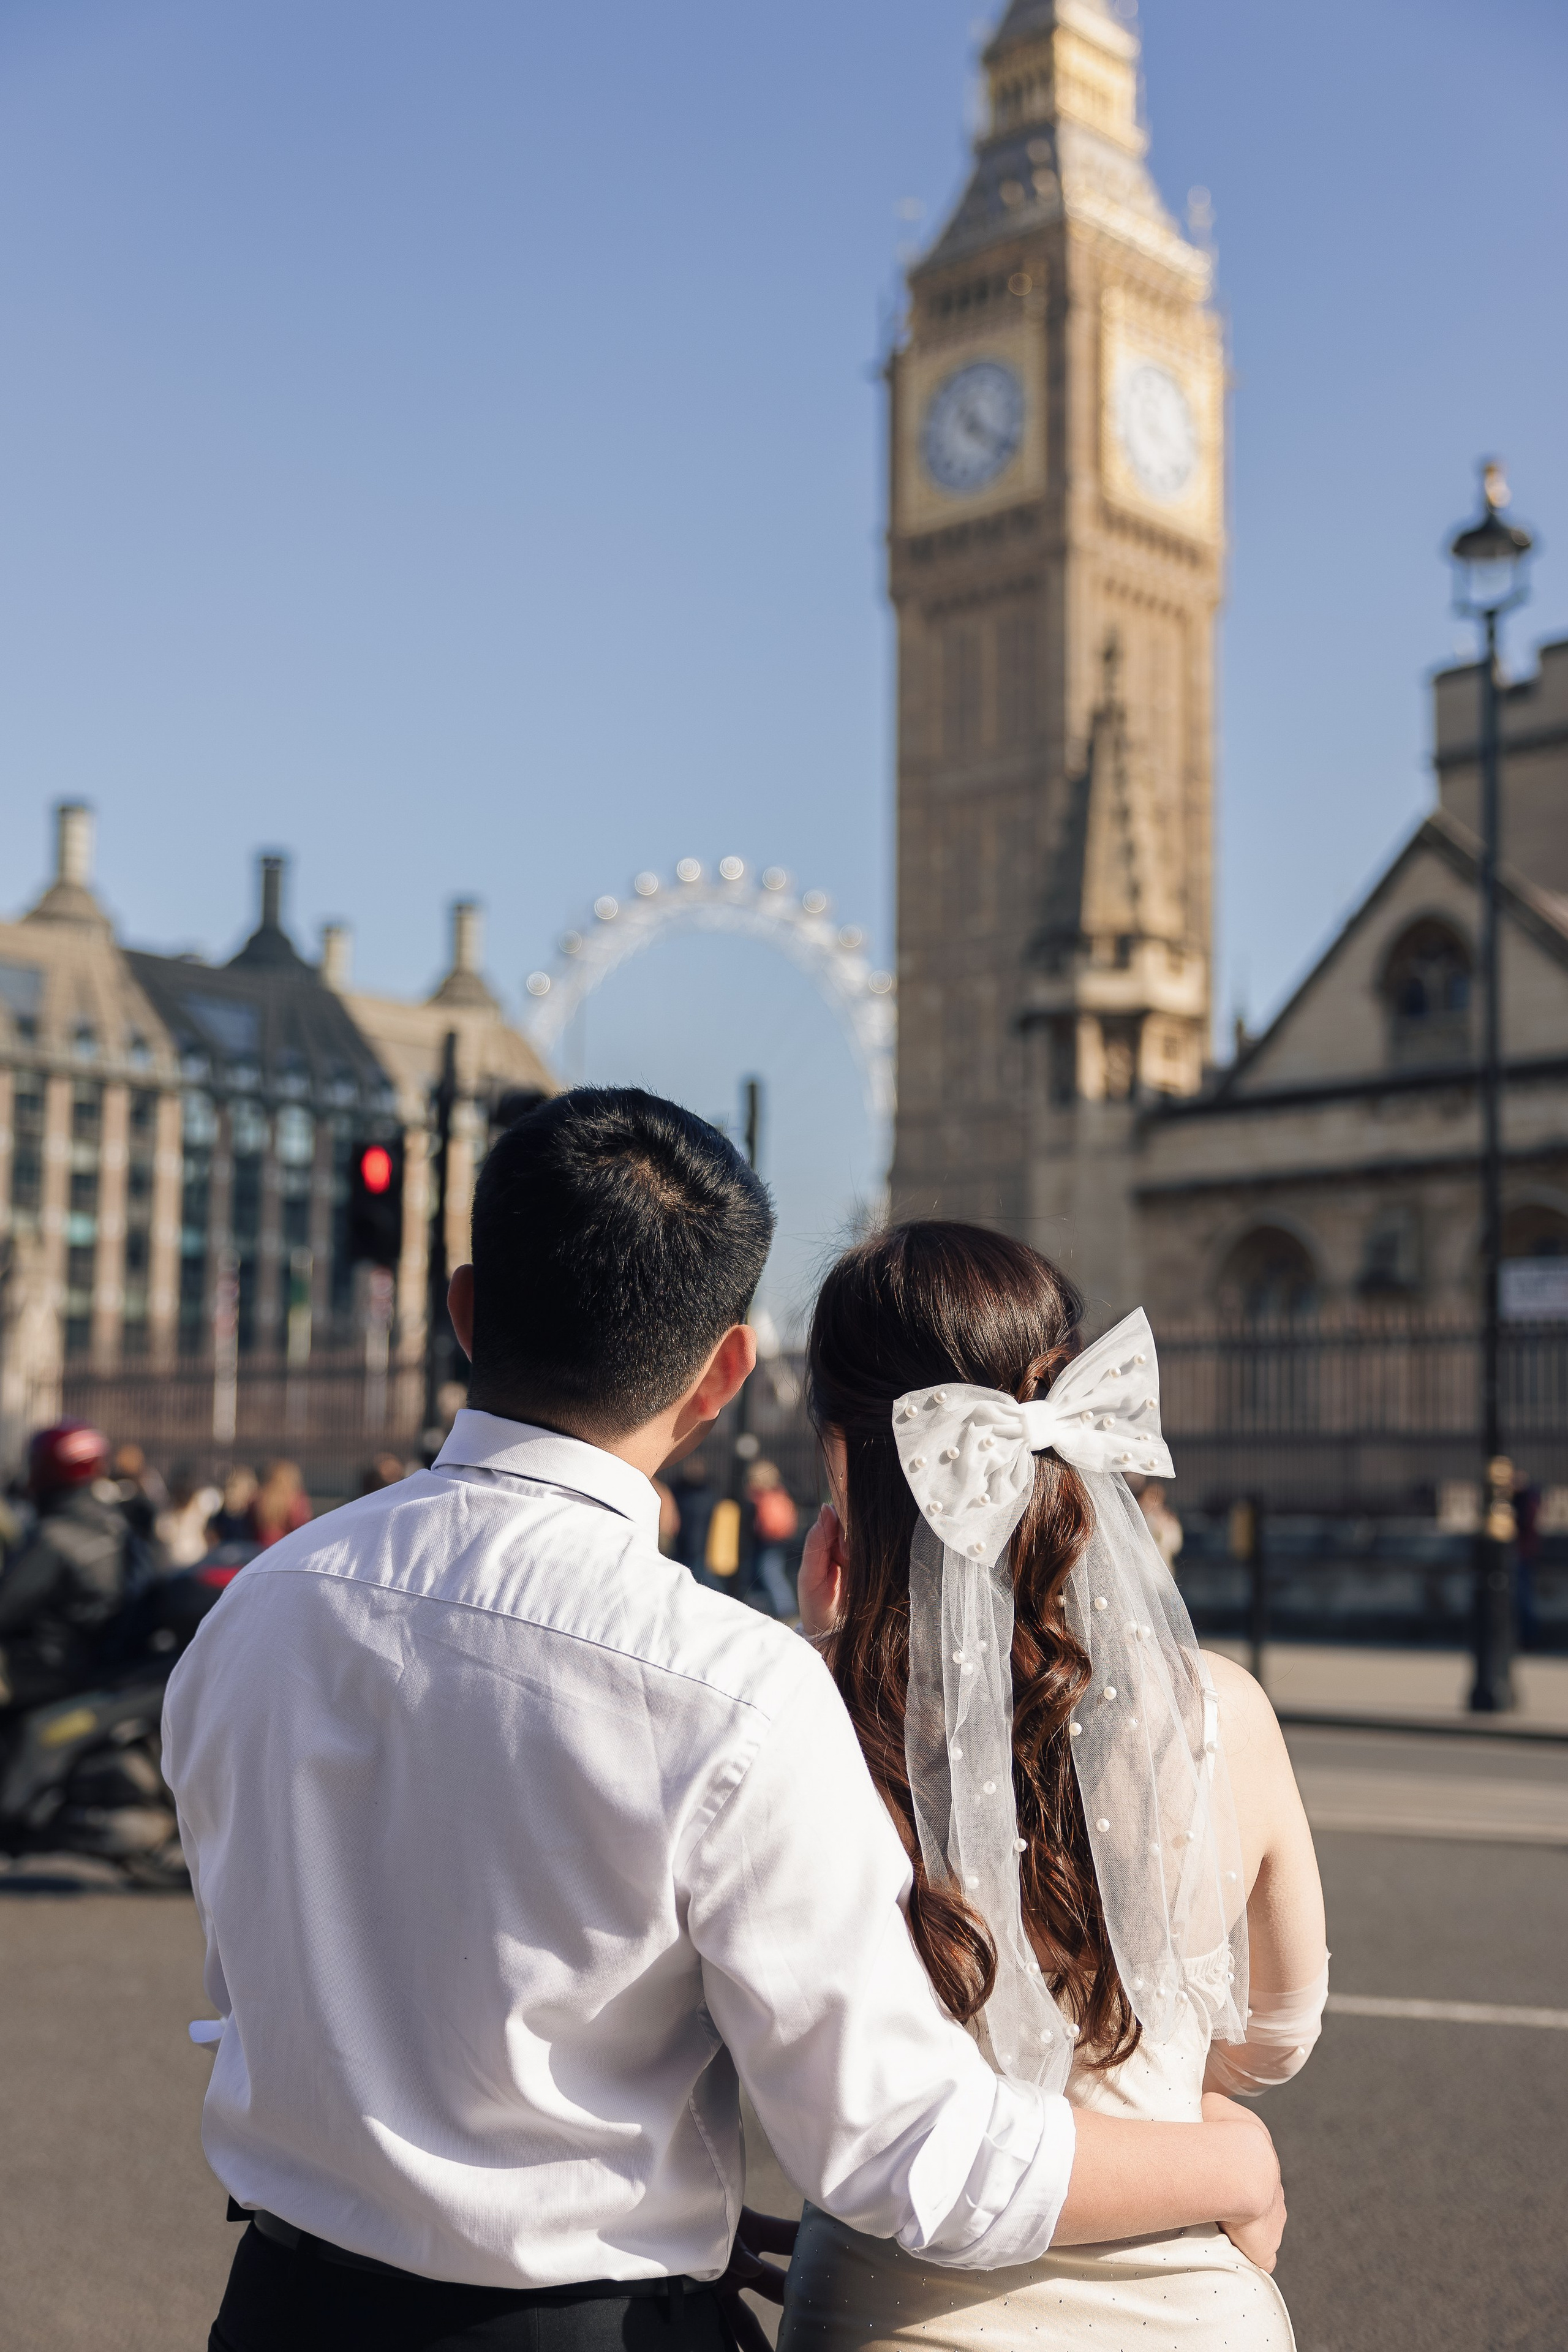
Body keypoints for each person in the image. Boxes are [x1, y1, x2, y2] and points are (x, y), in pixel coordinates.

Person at [162, 1090, 1283, 2352]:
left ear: (465, 1312)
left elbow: (260, 1979)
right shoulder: (730, 1684)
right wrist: (1224, 2162)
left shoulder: (250, 1611)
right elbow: (902, 2153)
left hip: (281, 2308)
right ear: (723, 1373)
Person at [782, 1223, 1328, 2352]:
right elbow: (1274, 2034)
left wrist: (817, 1653)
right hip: (1189, 2303)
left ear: (845, 1456)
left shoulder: (796, 1714)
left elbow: (775, 2048)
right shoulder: (1226, 1714)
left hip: (895, 2306)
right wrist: (1165, 2104)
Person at [0, 1421, 130, 1708]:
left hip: (49, 1666)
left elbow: (6, 1607)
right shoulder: (112, 1523)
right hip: (95, 1657)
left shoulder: (53, 1537)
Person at [744, 1459, 799, 1618]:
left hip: (769, 1541)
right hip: (776, 1541)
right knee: (769, 1574)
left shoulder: (765, 1497)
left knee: (771, 1575)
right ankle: (779, 1608)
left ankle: (786, 1609)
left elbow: (765, 1524)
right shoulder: (781, 1494)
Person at [159, 1468, 225, 1569]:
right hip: (173, 1569)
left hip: (197, 1566)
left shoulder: (200, 1505)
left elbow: (216, 1498)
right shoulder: (168, 1514)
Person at [248, 1459, 311, 1548]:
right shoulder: (295, 1499)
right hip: (285, 1549)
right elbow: (300, 1526)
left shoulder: (259, 1498)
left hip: (260, 1549)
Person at [207, 1466, 258, 1548]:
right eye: (229, 1486)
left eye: (234, 1486)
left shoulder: (252, 1514)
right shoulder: (220, 1516)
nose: (230, 1491)